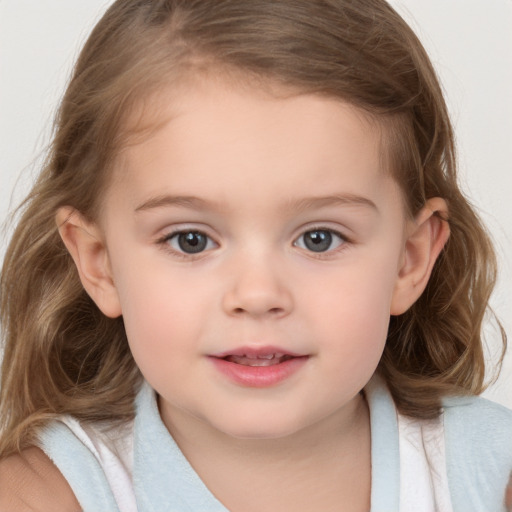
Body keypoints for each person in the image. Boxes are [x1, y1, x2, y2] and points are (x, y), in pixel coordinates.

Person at [0, 0, 510, 510]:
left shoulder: (492, 474)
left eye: (319, 238)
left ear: (410, 259)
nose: (258, 294)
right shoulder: (38, 497)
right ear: (99, 262)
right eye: (190, 240)